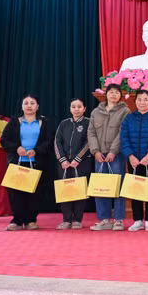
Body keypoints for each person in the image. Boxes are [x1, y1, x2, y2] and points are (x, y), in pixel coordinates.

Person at [0, 94, 53, 231]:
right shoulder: (14, 122)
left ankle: (31, 220)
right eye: (26, 103)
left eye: (32, 103)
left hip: (36, 163)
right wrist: (16, 148)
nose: (29, 106)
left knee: (35, 193)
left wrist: (36, 150)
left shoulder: (43, 122)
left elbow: (49, 141)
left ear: (37, 106)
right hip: (17, 163)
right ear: (22, 106)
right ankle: (17, 220)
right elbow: (4, 140)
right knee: (15, 193)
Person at [87, 83, 130, 231]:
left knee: (118, 186)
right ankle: (104, 219)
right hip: (99, 155)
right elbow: (91, 132)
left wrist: (113, 151)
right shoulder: (96, 112)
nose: (113, 95)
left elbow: (123, 132)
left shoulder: (125, 111)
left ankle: (118, 220)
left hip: (116, 155)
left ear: (120, 95)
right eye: (111, 92)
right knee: (101, 186)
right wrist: (96, 151)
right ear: (106, 94)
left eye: (117, 92)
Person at [120, 90, 148, 231]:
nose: (142, 102)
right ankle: (137, 220)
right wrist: (130, 156)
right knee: (135, 189)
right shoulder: (128, 118)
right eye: (139, 99)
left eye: (145, 99)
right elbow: (124, 138)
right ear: (135, 101)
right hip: (133, 160)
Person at [53, 98, 93, 230]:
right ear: (70, 109)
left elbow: (90, 142)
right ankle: (66, 219)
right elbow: (57, 141)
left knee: (79, 190)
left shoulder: (88, 123)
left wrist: (77, 159)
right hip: (64, 164)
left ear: (84, 109)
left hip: (81, 163)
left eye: (79, 107)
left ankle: (77, 219)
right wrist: (62, 160)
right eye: (73, 107)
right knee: (65, 190)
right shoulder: (64, 123)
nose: (76, 109)